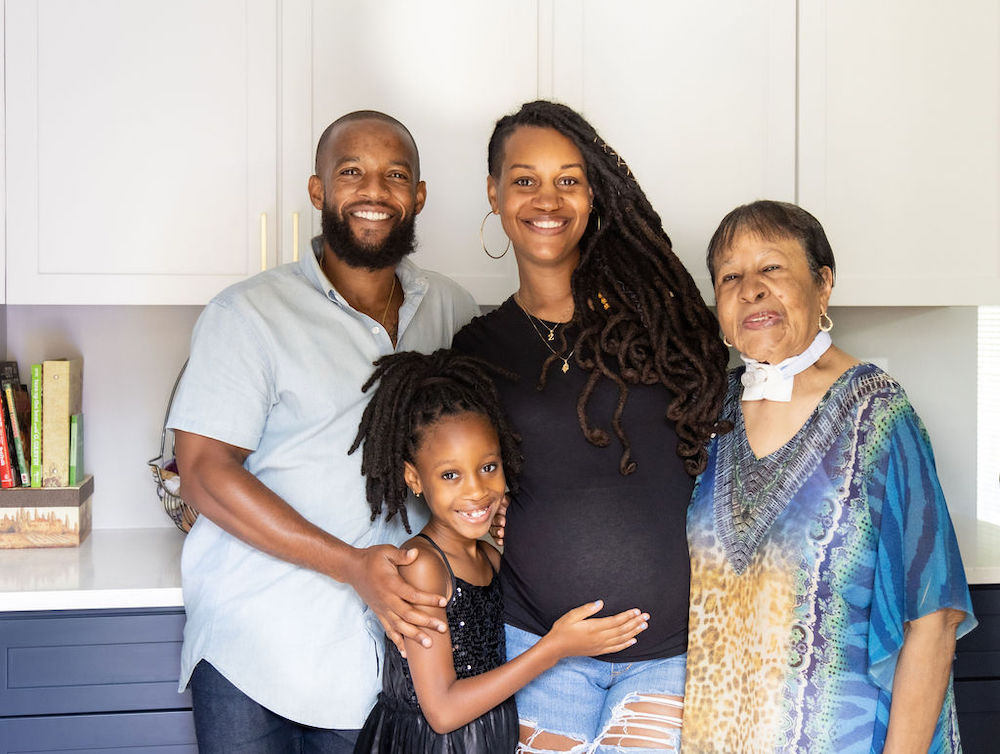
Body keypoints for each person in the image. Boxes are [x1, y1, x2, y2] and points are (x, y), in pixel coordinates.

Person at [168, 111, 480, 752]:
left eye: (395, 175)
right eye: (351, 173)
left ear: (418, 197)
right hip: (255, 649)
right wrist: (350, 566)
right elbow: (202, 473)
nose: (374, 191)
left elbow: (470, 446)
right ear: (318, 192)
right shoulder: (248, 314)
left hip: (382, 663)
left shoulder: (450, 309)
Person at [452, 100, 730, 751]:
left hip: (670, 655)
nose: (546, 198)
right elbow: (462, 480)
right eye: (524, 179)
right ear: (494, 193)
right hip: (538, 650)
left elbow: (730, 453)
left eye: (568, 179)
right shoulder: (477, 350)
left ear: (595, 193)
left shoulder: (666, 327)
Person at [682, 199, 977, 753]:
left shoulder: (879, 414)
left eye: (772, 267)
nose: (751, 289)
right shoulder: (707, 414)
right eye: (730, 276)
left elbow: (934, 619)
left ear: (823, 284)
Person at [349, 349, 650, 753]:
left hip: (487, 738)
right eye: (451, 475)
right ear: (413, 478)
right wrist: (555, 648)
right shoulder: (423, 566)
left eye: (488, 467)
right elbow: (442, 710)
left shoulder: (489, 559)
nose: (476, 490)